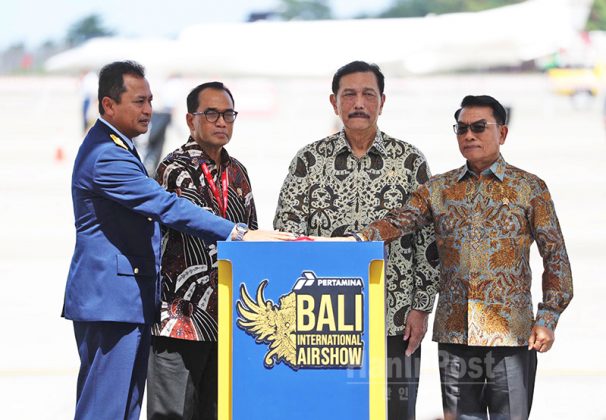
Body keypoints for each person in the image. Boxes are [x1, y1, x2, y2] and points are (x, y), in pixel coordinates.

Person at [62, 61, 291, 420]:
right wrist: (237, 232)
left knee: (124, 407)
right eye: (139, 101)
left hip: (126, 300)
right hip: (112, 301)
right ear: (109, 104)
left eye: (150, 100)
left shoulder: (120, 147)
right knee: (106, 408)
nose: (149, 110)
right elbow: (167, 206)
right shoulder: (106, 155)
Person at [349, 95, 573, 420]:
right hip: (455, 337)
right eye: (462, 128)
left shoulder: (529, 188)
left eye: (479, 127)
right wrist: (354, 241)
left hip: (511, 336)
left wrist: (548, 317)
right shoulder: (438, 189)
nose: (469, 135)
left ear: (502, 132)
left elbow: (555, 255)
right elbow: (400, 221)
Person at [273, 60, 439, 420]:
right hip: (323, 322)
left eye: (368, 94)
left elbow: (429, 241)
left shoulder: (410, 161)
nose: (359, 103)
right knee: (329, 412)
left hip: (395, 318)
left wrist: (421, 307)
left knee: (395, 411)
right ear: (334, 102)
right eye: (349, 94)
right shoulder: (308, 161)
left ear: (383, 101)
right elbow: (287, 235)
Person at [146, 82, 252, 419]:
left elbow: (251, 233)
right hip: (180, 321)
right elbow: (196, 219)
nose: (221, 121)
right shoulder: (174, 169)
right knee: (172, 413)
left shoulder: (238, 173)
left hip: (226, 322)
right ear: (191, 120)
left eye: (228, 114)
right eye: (211, 114)